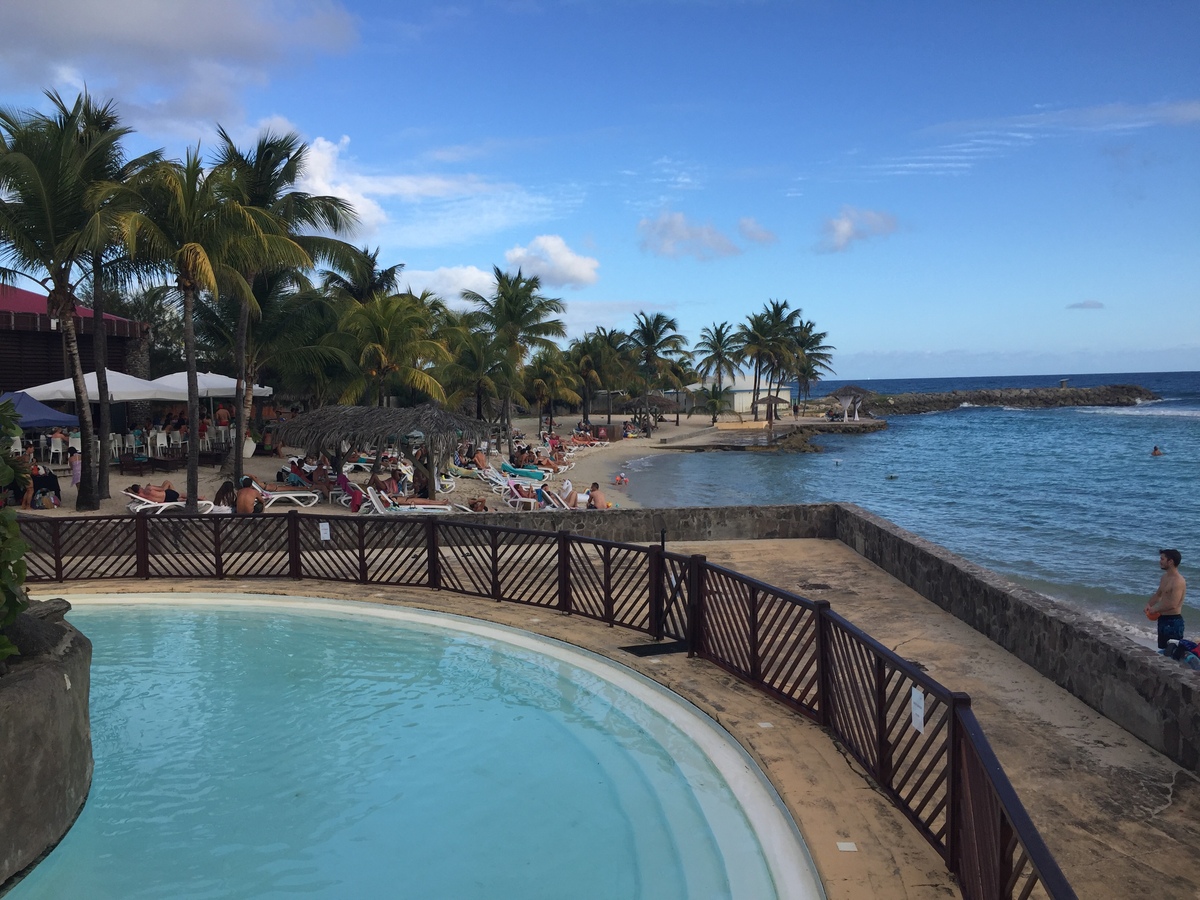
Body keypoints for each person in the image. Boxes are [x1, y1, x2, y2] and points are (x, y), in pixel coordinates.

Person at [1145, 549, 1186, 651]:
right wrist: (1149, 604)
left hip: (1174, 621)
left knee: (1172, 654)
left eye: (1162, 559)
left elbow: (1173, 604)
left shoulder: (1178, 581)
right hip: (1162, 619)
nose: (1160, 561)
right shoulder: (1164, 577)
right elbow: (1158, 594)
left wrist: (1155, 609)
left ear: (1170, 562)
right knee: (1163, 651)